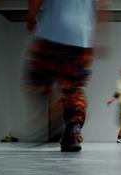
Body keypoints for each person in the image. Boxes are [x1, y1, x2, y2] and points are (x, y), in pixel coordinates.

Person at [23, 0, 108, 152]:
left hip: (51, 33)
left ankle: (51, 115)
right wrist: (99, 37)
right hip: (80, 39)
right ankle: (72, 130)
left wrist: (31, 17)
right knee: (73, 89)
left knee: (38, 79)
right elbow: (102, 6)